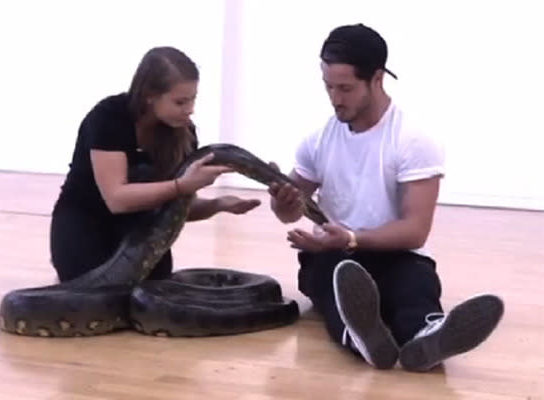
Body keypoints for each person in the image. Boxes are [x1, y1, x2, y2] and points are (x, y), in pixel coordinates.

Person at [267, 24, 504, 372]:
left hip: (394, 254)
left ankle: (426, 335)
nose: (335, 98)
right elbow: (288, 212)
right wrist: (283, 203)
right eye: (328, 87)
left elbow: (415, 230)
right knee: (333, 277)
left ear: (377, 79)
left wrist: (351, 238)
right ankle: (363, 337)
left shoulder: (412, 140)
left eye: (345, 88)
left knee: (415, 283)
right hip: (333, 257)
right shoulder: (317, 141)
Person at [49, 46, 261, 283]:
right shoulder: (108, 117)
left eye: (193, 99)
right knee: (89, 290)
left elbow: (175, 206)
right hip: (85, 220)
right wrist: (183, 185)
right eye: (180, 101)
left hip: (138, 227)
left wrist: (217, 204)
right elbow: (117, 199)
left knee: (151, 289)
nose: (190, 109)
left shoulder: (183, 133)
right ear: (150, 95)